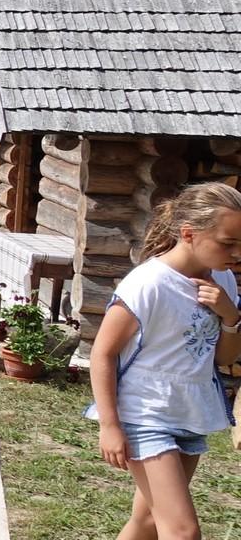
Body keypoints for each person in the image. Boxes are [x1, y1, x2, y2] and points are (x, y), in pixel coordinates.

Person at [87, 183, 241, 540]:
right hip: (146, 414)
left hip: (190, 413)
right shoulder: (149, 283)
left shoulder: (224, 283)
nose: (237, 252)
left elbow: (226, 357)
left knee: (147, 524)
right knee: (183, 532)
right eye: (227, 242)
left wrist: (230, 316)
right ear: (189, 233)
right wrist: (110, 426)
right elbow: (103, 354)